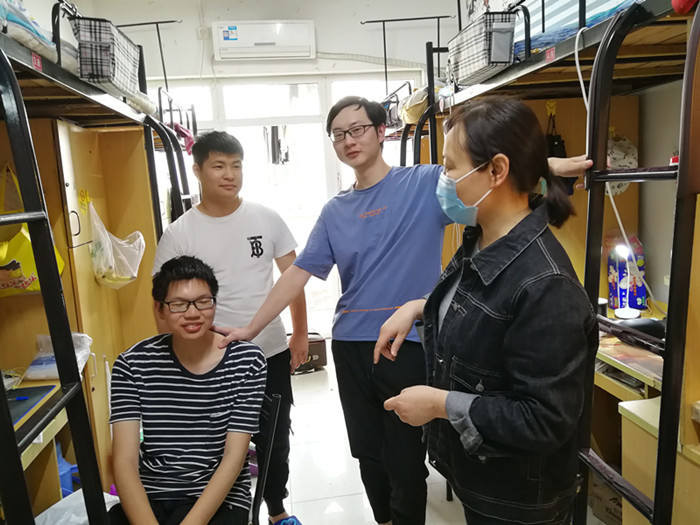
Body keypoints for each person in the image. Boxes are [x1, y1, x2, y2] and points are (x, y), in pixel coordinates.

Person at [218, 96, 593, 525]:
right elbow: (297, 273)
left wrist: (554, 166)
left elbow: (498, 167)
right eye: (338, 134)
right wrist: (251, 328)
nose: (348, 140)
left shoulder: (427, 184)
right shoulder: (336, 211)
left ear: (381, 132)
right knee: (367, 452)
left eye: (357, 129)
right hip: (352, 343)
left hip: (408, 344)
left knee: (404, 456)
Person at [374, 97, 599, 525]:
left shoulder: (546, 285)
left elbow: (544, 420)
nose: (443, 180)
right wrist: (421, 307)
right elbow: (482, 309)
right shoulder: (481, 237)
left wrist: (440, 404)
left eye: (450, 167)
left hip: (517, 500)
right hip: (481, 478)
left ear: (496, 171)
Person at [152, 131, 307, 525]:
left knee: (275, 436)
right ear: (198, 170)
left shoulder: (266, 218)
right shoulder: (180, 233)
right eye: (218, 166)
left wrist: (300, 334)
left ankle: (276, 509)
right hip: (207, 359)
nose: (229, 174)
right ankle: (223, 509)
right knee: (215, 441)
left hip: (268, 350)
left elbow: (293, 280)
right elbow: (163, 303)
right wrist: (175, 360)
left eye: (236, 165)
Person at [108, 255, 267, 525]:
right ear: (159, 309)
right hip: (152, 495)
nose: (192, 313)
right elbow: (124, 461)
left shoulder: (247, 361)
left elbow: (234, 457)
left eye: (203, 301)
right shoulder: (132, 364)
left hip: (218, 498)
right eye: (178, 304)